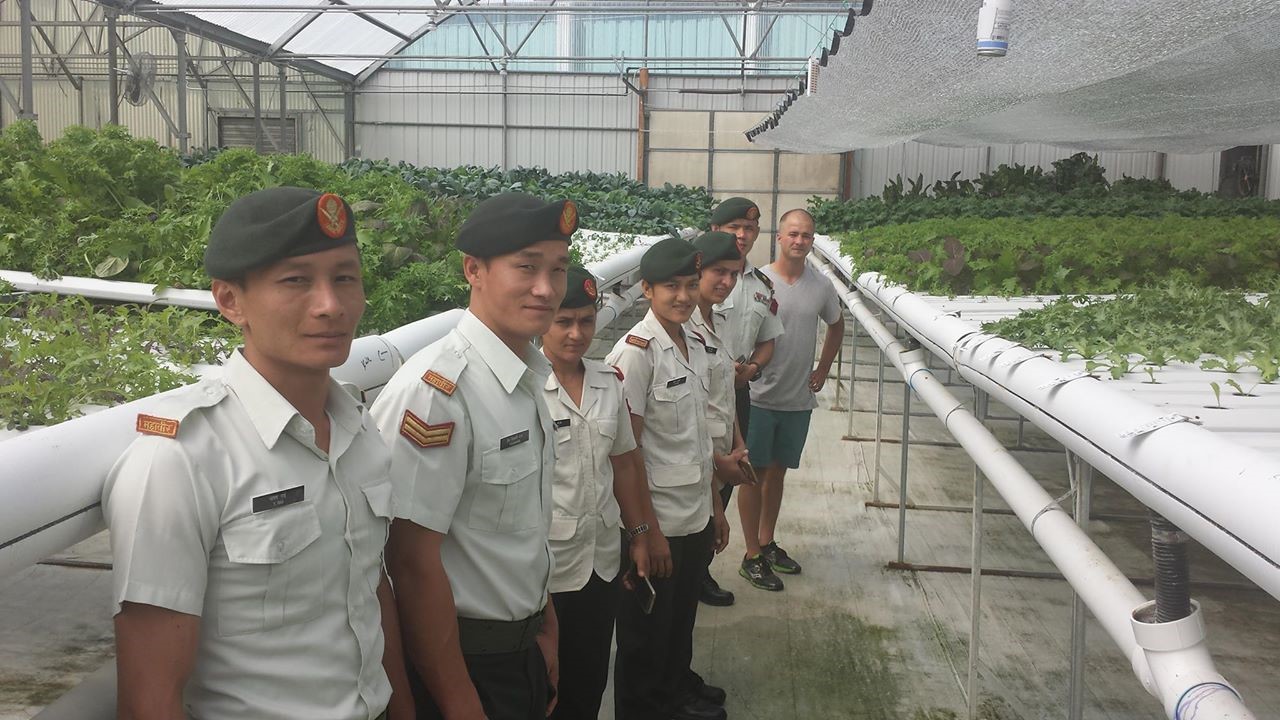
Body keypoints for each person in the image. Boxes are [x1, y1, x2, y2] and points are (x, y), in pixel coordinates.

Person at [102, 186, 412, 720]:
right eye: (296, 281)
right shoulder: (182, 459)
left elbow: (370, 589)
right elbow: (152, 695)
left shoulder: (358, 428)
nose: (331, 305)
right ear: (230, 301)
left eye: (345, 278)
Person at [371, 193, 572, 720]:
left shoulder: (525, 376)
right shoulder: (438, 393)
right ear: (473, 270)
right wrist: (459, 701)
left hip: (519, 649)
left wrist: (544, 629)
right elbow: (410, 565)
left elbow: (518, 532)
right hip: (460, 667)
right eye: (526, 267)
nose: (546, 288)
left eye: (558, 269)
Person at [607, 237, 730, 720]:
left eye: (688, 285)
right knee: (645, 639)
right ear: (646, 290)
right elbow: (626, 451)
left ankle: (677, 694)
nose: (682, 296)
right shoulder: (636, 354)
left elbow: (699, 444)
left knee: (680, 623)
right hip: (657, 522)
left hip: (694, 515)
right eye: (669, 287)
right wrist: (645, 533)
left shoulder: (694, 342)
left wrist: (717, 510)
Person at [540, 265, 670, 720]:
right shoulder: (526, 389)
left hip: (600, 561)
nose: (576, 334)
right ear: (543, 320)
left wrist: (640, 534)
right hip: (547, 568)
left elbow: (625, 463)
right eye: (563, 321)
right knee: (544, 686)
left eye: (586, 321)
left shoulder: (607, 382)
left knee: (590, 677)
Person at [738, 209, 845, 592]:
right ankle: (750, 553)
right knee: (755, 474)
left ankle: (766, 541)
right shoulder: (758, 283)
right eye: (793, 234)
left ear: (812, 242)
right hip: (759, 395)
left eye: (807, 236)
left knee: (778, 471)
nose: (800, 241)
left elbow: (836, 325)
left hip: (797, 398)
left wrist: (823, 369)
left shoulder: (821, 287)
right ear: (779, 238)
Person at [702, 197, 783, 606]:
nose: (743, 234)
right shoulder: (692, 275)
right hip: (696, 393)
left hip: (737, 394)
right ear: (715, 229)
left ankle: (699, 569)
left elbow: (768, 340)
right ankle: (685, 567)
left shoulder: (759, 285)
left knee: (729, 477)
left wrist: (752, 369)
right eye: (734, 226)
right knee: (693, 478)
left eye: (750, 229)